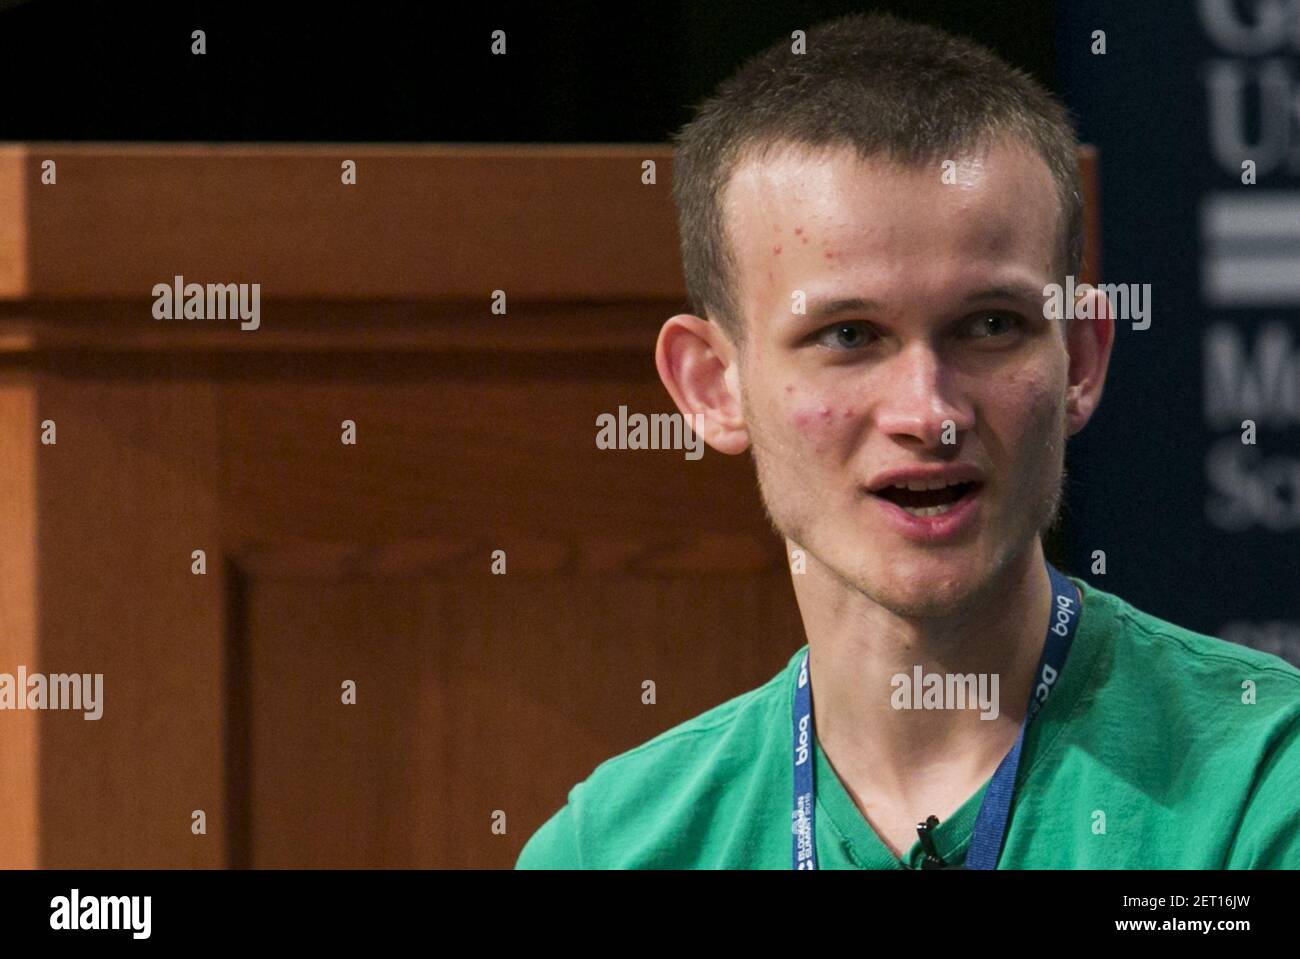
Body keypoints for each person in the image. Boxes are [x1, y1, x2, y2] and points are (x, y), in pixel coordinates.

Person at [516, 11, 1300, 869]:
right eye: (850, 335)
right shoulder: (612, 848)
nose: (929, 413)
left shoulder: (1265, 787)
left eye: (990, 324)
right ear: (712, 386)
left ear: (1079, 357)